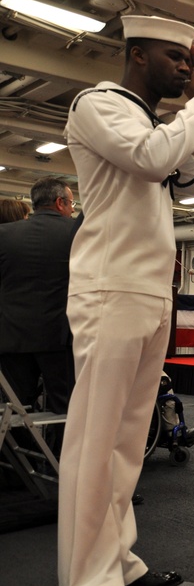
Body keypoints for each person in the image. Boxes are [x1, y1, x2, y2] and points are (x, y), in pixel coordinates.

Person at [60, 14, 194, 586]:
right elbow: (154, 159)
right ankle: (85, 582)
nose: (186, 66)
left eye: (191, 59)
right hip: (111, 287)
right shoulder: (97, 104)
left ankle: (119, 561)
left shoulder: (154, 123)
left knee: (129, 442)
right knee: (96, 439)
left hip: (151, 291)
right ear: (136, 55)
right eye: (174, 57)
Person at [0, 177, 77, 458]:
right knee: (66, 409)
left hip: (11, 337)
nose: (71, 209)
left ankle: (21, 471)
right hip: (60, 337)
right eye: (70, 203)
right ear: (60, 202)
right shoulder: (78, 232)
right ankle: (64, 470)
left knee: (15, 409)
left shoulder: (5, 234)